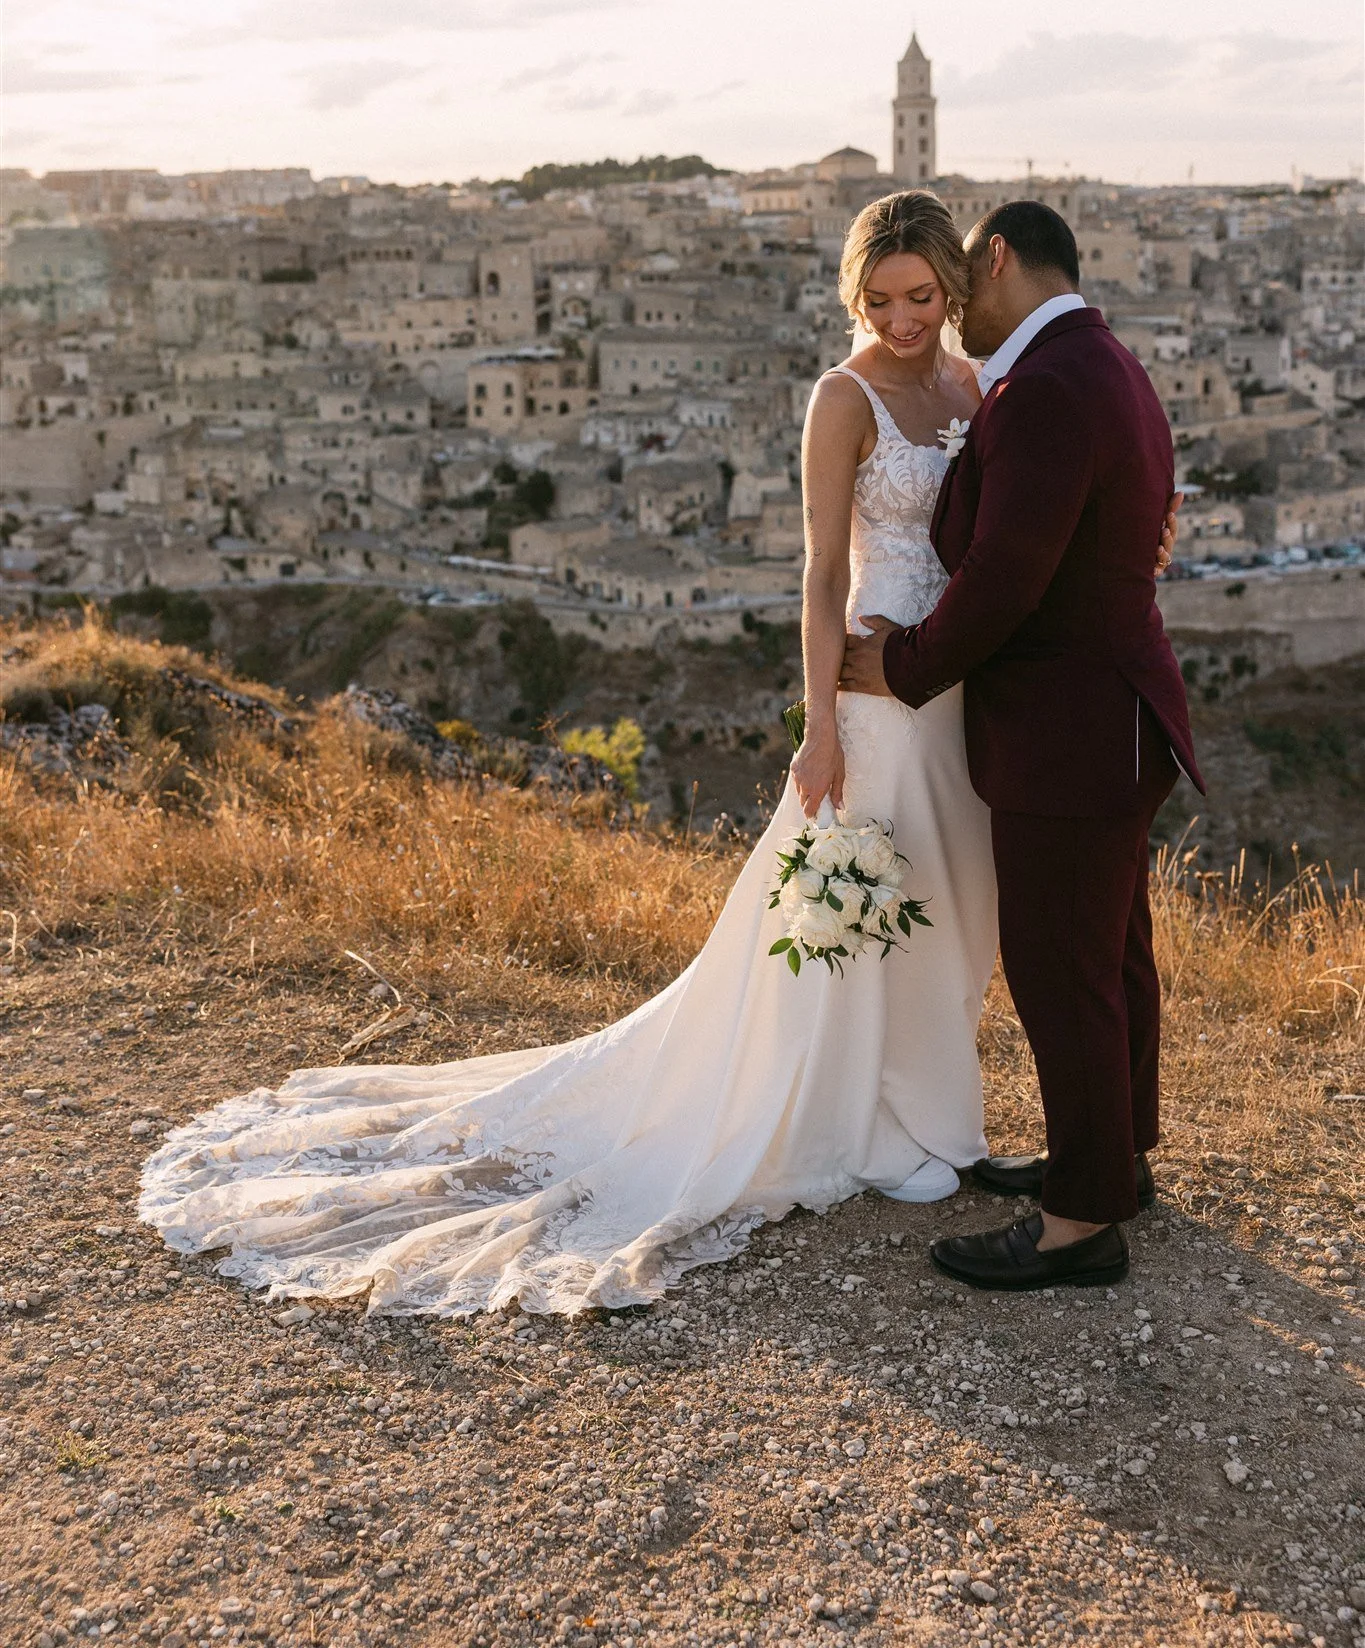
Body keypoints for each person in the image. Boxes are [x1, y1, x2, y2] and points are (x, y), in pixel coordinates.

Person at [138, 190, 1001, 1318]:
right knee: (854, 900)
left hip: (954, 681)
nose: (900, 317)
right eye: (879, 299)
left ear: (951, 286)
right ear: (855, 297)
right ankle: (864, 1124)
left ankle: (930, 1106)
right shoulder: (843, 396)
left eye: (919, 295)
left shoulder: (973, 384)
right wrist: (818, 724)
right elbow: (820, 569)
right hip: (872, 685)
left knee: (944, 888)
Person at [839, 200, 1202, 1293]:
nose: (952, 306)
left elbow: (1005, 578)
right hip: (1115, 717)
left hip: (1069, 728)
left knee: (1061, 971)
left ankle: (1079, 1223)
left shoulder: (1044, 385)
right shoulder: (1105, 360)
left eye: (957, 280)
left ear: (996, 257)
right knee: (1110, 956)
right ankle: (1113, 1159)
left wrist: (899, 667)